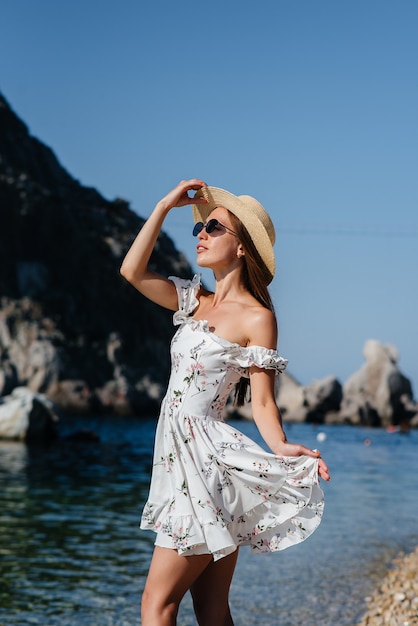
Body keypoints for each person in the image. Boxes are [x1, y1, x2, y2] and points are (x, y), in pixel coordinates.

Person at [120, 179, 330, 626]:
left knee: (156, 607)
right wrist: (163, 206)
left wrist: (283, 448)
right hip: (183, 463)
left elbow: (263, 405)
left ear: (242, 248)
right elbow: (132, 272)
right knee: (212, 610)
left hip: (207, 470)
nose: (200, 234)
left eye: (213, 227)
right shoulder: (194, 300)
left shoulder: (258, 318)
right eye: (200, 227)